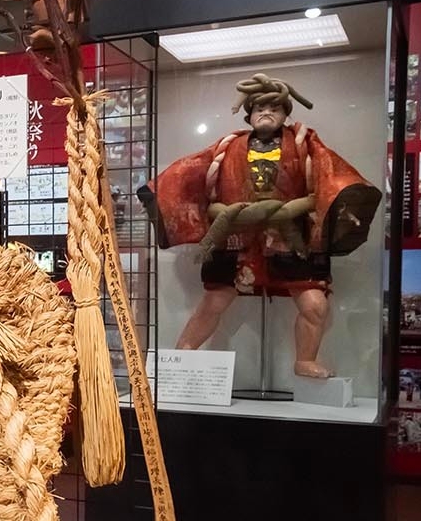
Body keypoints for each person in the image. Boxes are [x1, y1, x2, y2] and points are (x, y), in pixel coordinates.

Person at [143, 73, 381, 379]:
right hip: (236, 235)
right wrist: (163, 191)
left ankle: (305, 360)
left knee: (315, 305)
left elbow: (332, 177)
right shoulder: (228, 146)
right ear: (249, 114)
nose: (266, 112)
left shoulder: (304, 144)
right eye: (259, 108)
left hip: (288, 236)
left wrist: (310, 205)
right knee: (213, 303)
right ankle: (182, 358)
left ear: (285, 113)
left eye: (274, 108)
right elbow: (192, 172)